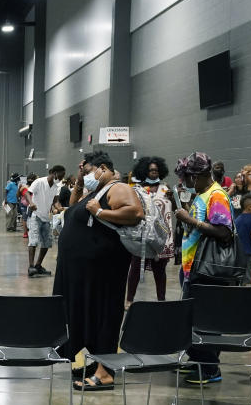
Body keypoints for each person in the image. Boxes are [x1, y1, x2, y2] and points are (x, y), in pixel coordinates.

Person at [53, 153, 143, 392]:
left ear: (103, 168)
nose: (87, 174)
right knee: (86, 315)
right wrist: (81, 179)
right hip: (83, 272)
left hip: (103, 271)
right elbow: (73, 208)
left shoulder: (118, 187)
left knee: (104, 315)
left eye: (89, 170)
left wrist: (101, 213)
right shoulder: (96, 192)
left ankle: (105, 373)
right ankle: (92, 361)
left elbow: (134, 213)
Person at [174, 151, 234, 385]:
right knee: (193, 320)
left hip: (208, 271)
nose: (184, 183)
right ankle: (197, 360)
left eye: (186, 178)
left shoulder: (216, 195)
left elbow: (224, 232)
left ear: (197, 175)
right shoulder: (203, 194)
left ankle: (210, 369)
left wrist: (190, 221)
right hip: (193, 268)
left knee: (206, 321)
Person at [125, 157, 175, 306]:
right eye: (151, 170)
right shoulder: (137, 189)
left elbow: (173, 208)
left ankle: (161, 300)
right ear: (144, 171)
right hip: (142, 236)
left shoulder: (166, 189)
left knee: (160, 270)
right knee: (134, 268)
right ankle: (129, 299)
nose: (154, 173)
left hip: (161, 236)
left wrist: (172, 199)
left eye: (156, 170)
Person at [26, 165, 65, 277]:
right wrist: (31, 203)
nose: (61, 179)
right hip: (36, 215)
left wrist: (58, 207)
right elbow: (28, 193)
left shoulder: (56, 186)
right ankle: (31, 266)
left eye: (62, 177)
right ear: (53, 173)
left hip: (46, 218)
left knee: (47, 243)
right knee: (33, 241)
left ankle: (38, 265)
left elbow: (55, 201)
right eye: (60, 176)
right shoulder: (39, 182)